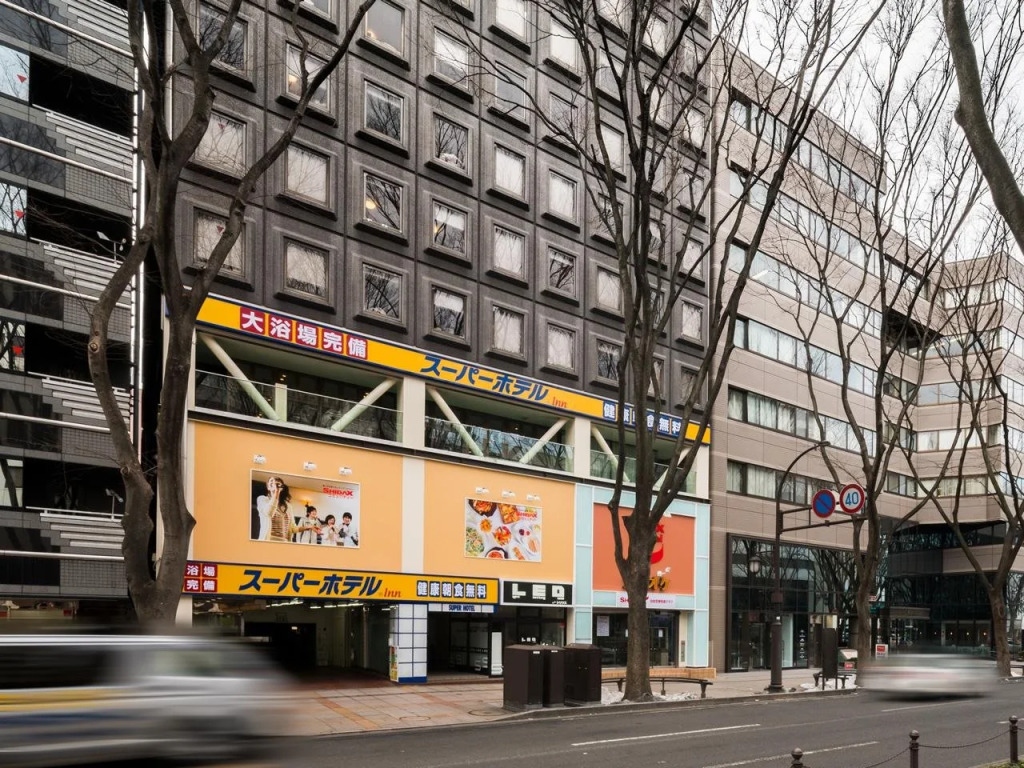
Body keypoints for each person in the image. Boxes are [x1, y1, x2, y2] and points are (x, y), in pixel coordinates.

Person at [256, 477, 293, 543]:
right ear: (268, 487)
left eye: (278, 484)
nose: (275, 485)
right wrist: (276, 492)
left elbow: (292, 527)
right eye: (272, 483)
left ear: (282, 488)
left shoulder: (288, 506)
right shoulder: (262, 499)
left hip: (285, 542)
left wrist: (307, 527)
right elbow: (269, 513)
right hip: (269, 540)